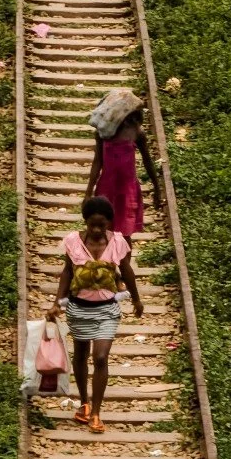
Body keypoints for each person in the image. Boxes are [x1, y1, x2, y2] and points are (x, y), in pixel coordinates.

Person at [49, 196, 143, 433]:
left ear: (109, 223)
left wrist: (136, 298)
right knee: (81, 354)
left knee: (100, 357)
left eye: (102, 225)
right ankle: (84, 403)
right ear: (85, 222)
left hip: (107, 310)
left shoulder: (118, 242)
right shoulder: (73, 242)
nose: (97, 230)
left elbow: (127, 271)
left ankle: (97, 412)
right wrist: (57, 303)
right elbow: (67, 273)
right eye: (93, 225)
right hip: (78, 309)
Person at [83, 87, 160, 238]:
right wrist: (88, 192)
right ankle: (105, 262)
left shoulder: (137, 133)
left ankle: (124, 262)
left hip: (127, 189)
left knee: (125, 234)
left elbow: (147, 161)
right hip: (106, 187)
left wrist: (157, 188)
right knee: (104, 231)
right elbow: (97, 161)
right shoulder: (103, 133)